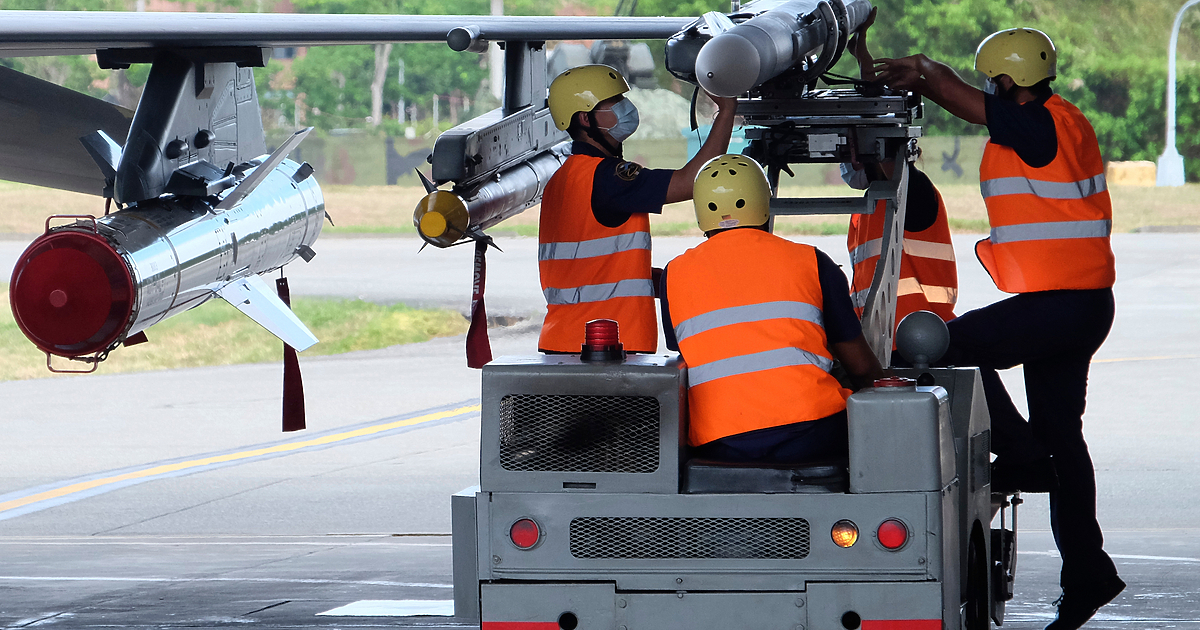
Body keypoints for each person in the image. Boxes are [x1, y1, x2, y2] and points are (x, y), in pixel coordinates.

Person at [875, 29, 1123, 630]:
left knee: (944, 344)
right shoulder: (1057, 120)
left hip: (1062, 306)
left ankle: (1019, 453)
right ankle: (1088, 575)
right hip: (1080, 304)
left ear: (1007, 80)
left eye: (994, 81)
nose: (989, 90)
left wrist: (930, 74)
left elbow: (967, 103)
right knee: (1065, 444)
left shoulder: (1038, 125)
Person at [659, 155, 883, 463]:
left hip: (720, 444)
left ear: (701, 213)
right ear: (765, 203)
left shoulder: (673, 275)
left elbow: (691, 356)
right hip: (814, 434)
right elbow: (861, 367)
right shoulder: (813, 263)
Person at [538, 65, 737, 354]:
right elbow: (692, 180)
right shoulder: (608, 177)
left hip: (566, 344)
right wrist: (726, 112)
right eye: (613, 103)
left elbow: (589, 273)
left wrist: (663, 282)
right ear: (585, 118)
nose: (625, 108)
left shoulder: (564, 178)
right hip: (608, 350)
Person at [840, 9, 958, 347]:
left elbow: (883, 154)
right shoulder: (870, 208)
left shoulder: (914, 194)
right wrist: (863, 60)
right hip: (884, 346)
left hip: (922, 346)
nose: (851, 159)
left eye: (858, 150)